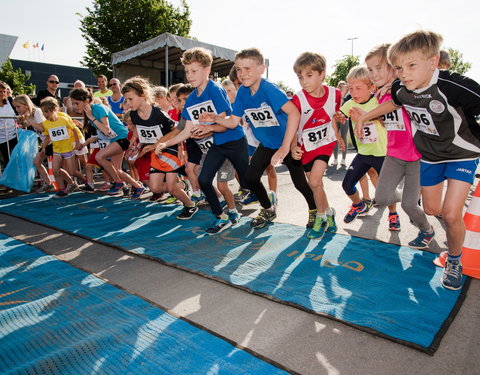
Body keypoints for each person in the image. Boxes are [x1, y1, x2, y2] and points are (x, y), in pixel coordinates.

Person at [355, 30, 480, 290]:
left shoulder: (455, 86)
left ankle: (455, 260)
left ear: (433, 62)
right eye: (399, 68)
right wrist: (365, 117)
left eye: (411, 66)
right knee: (433, 209)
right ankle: (434, 231)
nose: (404, 73)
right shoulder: (402, 87)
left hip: (462, 154)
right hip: (431, 157)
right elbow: (394, 104)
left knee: (451, 212)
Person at [201, 47, 316, 229]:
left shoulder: (269, 89)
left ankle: (314, 211)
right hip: (268, 144)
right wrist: (214, 118)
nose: (242, 74)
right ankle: (268, 208)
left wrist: (286, 147)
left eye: (247, 69)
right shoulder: (243, 93)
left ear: (261, 69)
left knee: (300, 183)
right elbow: (232, 122)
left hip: (287, 142)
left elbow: (294, 113)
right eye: (239, 69)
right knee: (251, 177)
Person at [350, 44, 435, 248]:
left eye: (379, 68)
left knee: (408, 205)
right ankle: (411, 199)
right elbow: (389, 123)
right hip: (394, 154)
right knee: (382, 197)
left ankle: (427, 230)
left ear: (392, 67)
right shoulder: (380, 94)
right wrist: (368, 117)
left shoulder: (405, 88)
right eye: (370, 69)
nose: (374, 73)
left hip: (416, 155)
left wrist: (396, 84)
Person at [156, 47, 248, 234]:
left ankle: (233, 209)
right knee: (204, 180)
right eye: (187, 71)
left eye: (194, 71)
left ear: (207, 70)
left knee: (230, 184)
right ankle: (220, 216)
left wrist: (208, 129)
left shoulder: (215, 90)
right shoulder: (190, 100)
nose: (189, 76)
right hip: (215, 147)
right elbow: (186, 131)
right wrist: (166, 143)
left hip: (232, 142)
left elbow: (226, 124)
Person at [121, 76, 197, 214]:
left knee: (171, 187)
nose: (128, 103)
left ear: (143, 96)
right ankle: (183, 185)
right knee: (155, 188)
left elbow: (176, 129)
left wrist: (179, 147)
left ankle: (190, 205)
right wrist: (137, 146)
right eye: (126, 99)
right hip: (155, 153)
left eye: (130, 99)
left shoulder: (157, 112)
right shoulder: (134, 115)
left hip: (169, 150)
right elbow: (142, 133)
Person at [290, 52, 344, 240]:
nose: (303, 81)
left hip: (325, 143)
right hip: (305, 147)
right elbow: (292, 126)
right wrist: (292, 146)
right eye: (300, 77)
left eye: (309, 75)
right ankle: (329, 212)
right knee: (316, 185)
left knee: (313, 181)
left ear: (322, 74)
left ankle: (320, 218)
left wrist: (337, 134)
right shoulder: (297, 100)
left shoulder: (336, 94)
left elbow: (333, 115)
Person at [340, 65, 400, 230]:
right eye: (351, 88)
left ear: (371, 87)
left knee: (387, 189)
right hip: (363, 152)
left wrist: (367, 117)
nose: (353, 92)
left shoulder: (378, 101)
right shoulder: (349, 103)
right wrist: (338, 119)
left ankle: (393, 214)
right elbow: (339, 117)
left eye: (358, 88)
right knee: (347, 185)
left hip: (382, 153)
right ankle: (358, 204)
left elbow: (388, 123)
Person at [69, 87, 143, 195]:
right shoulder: (90, 112)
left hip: (122, 138)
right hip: (115, 140)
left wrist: (91, 117)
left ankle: (118, 182)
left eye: (76, 103)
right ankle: (138, 187)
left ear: (85, 101)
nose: (74, 107)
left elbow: (106, 130)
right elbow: (103, 133)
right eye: (73, 103)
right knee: (117, 170)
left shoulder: (98, 108)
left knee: (99, 157)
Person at [39, 98, 79, 197]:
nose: (44, 114)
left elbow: (74, 129)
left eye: (46, 112)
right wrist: (43, 147)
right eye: (43, 112)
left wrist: (77, 142)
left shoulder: (63, 119)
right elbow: (48, 136)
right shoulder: (46, 123)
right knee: (55, 170)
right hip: (57, 149)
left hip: (68, 148)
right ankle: (63, 189)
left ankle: (72, 184)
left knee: (71, 171)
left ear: (54, 110)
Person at [0, 81, 18, 166]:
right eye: (0, 91)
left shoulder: (10, 101)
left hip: (14, 135)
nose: (2, 94)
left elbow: (20, 112)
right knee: (9, 162)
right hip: (2, 138)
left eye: (4, 91)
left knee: (18, 159)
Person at [332, 80, 349, 167]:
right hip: (336, 118)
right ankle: (335, 159)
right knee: (336, 137)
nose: (342, 87)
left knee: (344, 137)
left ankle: (343, 159)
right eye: (340, 86)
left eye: (344, 86)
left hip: (345, 118)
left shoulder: (349, 96)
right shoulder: (336, 96)